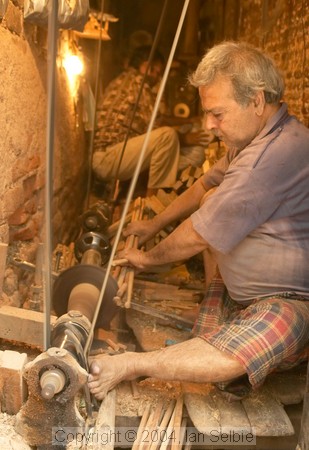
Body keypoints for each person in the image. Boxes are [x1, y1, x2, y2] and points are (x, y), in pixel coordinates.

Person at [88, 41, 309, 401]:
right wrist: (154, 223)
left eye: (217, 114)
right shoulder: (254, 137)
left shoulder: (275, 156)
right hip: (243, 294)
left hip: (291, 303)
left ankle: (132, 364)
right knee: (211, 201)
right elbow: (206, 182)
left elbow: (197, 234)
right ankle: (215, 338)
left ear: (256, 101)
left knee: (231, 355)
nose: (209, 125)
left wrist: (147, 257)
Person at [92, 45, 213, 197]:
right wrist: (185, 139)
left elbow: (159, 118)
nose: (155, 76)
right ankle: (152, 203)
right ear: (143, 64)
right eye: (153, 69)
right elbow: (156, 127)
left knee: (171, 139)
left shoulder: (128, 81)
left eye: (158, 72)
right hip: (108, 158)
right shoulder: (136, 83)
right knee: (168, 136)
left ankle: (152, 195)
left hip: (114, 154)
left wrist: (188, 120)